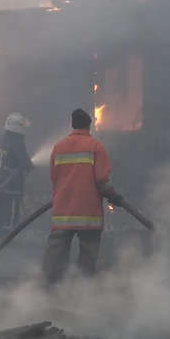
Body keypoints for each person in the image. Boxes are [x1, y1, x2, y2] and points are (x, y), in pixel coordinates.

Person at [42, 108, 123, 285]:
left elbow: (54, 177)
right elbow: (102, 180)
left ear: (72, 125)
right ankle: (82, 289)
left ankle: (51, 287)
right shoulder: (95, 147)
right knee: (88, 252)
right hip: (88, 212)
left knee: (56, 251)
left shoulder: (58, 147)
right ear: (89, 125)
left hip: (63, 210)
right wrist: (114, 196)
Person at [0, 113, 34, 236]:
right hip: (10, 187)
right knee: (11, 217)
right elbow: (24, 162)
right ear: (19, 127)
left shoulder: (3, 139)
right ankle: (7, 240)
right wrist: (30, 167)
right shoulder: (17, 142)